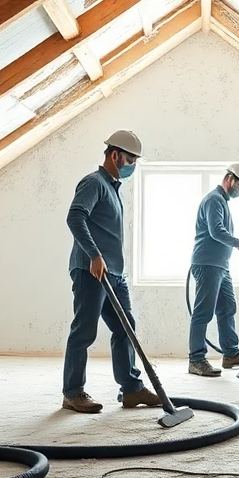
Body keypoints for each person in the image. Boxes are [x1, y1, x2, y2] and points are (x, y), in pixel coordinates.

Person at [60, 130, 163, 413]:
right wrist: (94, 255)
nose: (132, 166)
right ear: (116, 155)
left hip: (115, 274)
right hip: (91, 271)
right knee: (84, 332)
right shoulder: (94, 183)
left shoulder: (113, 188)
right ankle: (73, 392)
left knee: (125, 329)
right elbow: (75, 216)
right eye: (131, 160)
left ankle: (131, 389)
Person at [186, 163, 239, 377]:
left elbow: (220, 234)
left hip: (221, 266)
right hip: (208, 264)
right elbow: (216, 231)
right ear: (229, 178)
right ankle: (196, 359)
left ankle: (230, 354)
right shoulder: (214, 200)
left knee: (227, 308)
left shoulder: (222, 202)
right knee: (203, 313)